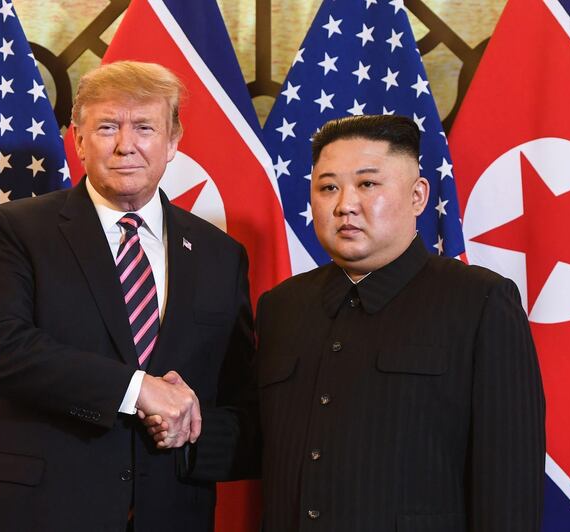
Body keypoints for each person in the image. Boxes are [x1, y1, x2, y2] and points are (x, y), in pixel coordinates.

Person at [151, 114, 546, 530]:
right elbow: (262, 439)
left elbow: (508, 484)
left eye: (367, 184)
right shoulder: (282, 306)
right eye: (328, 188)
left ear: (418, 196)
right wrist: (182, 428)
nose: (345, 205)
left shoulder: (480, 302)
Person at [0, 61, 255, 532]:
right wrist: (140, 390)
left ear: (173, 141)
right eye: (107, 127)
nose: (125, 145)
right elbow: (0, 350)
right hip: (39, 513)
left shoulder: (221, 254)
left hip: (172, 514)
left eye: (144, 127)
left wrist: (188, 430)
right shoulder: (16, 230)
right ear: (77, 139)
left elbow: (240, 400)